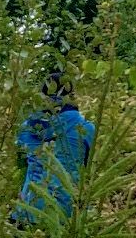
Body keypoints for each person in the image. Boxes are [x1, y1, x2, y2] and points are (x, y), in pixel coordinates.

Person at [10, 69, 95, 226]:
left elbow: (21, 167)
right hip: (68, 213)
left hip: (28, 210)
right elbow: (89, 167)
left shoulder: (26, 128)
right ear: (72, 96)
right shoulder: (86, 128)